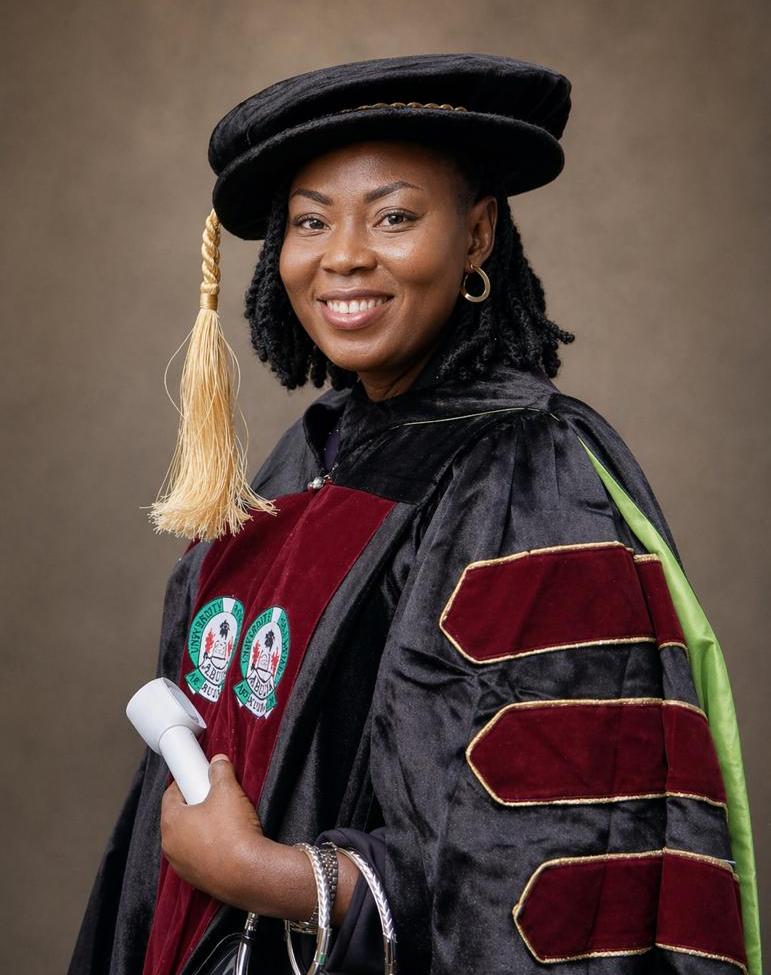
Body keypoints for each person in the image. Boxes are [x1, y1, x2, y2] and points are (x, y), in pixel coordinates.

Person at [67, 53, 760, 975]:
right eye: (311, 221)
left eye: (394, 216)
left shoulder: (526, 474)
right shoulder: (305, 456)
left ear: (476, 236)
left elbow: (556, 856)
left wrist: (269, 876)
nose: (344, 255)